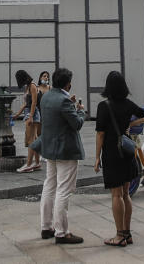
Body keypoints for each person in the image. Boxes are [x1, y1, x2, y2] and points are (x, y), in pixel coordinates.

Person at [94, 71, 144, 247]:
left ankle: (119, 236)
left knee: (116, 195)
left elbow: (100, 134)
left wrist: (97, 157)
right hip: (127, 152)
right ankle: (127, 233)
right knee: (126, 194)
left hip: (112, 153)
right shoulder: (128, 104)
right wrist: (130, 125)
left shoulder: (104, 106)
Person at [37, 67, 87, 245]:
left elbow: (57, 114)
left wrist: (69, 103)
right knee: (63, 190)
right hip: (65, 150)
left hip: (49, 148)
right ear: (68, 83)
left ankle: (46, 226)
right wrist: (80, 110)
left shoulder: (47, 97)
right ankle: (62, 232)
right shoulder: (64, 101)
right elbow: (76, 124)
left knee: (49, 186)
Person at [12, 69, 41, 173]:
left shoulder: (32, 86)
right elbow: (26, 104)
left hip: (32, 113)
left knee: (30, 140)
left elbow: (34, 102)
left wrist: (31, 117)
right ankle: (37, 162)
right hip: (30, 113)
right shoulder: (28, 87)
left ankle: (28, 164)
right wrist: (17, 114)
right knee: (35, 139)